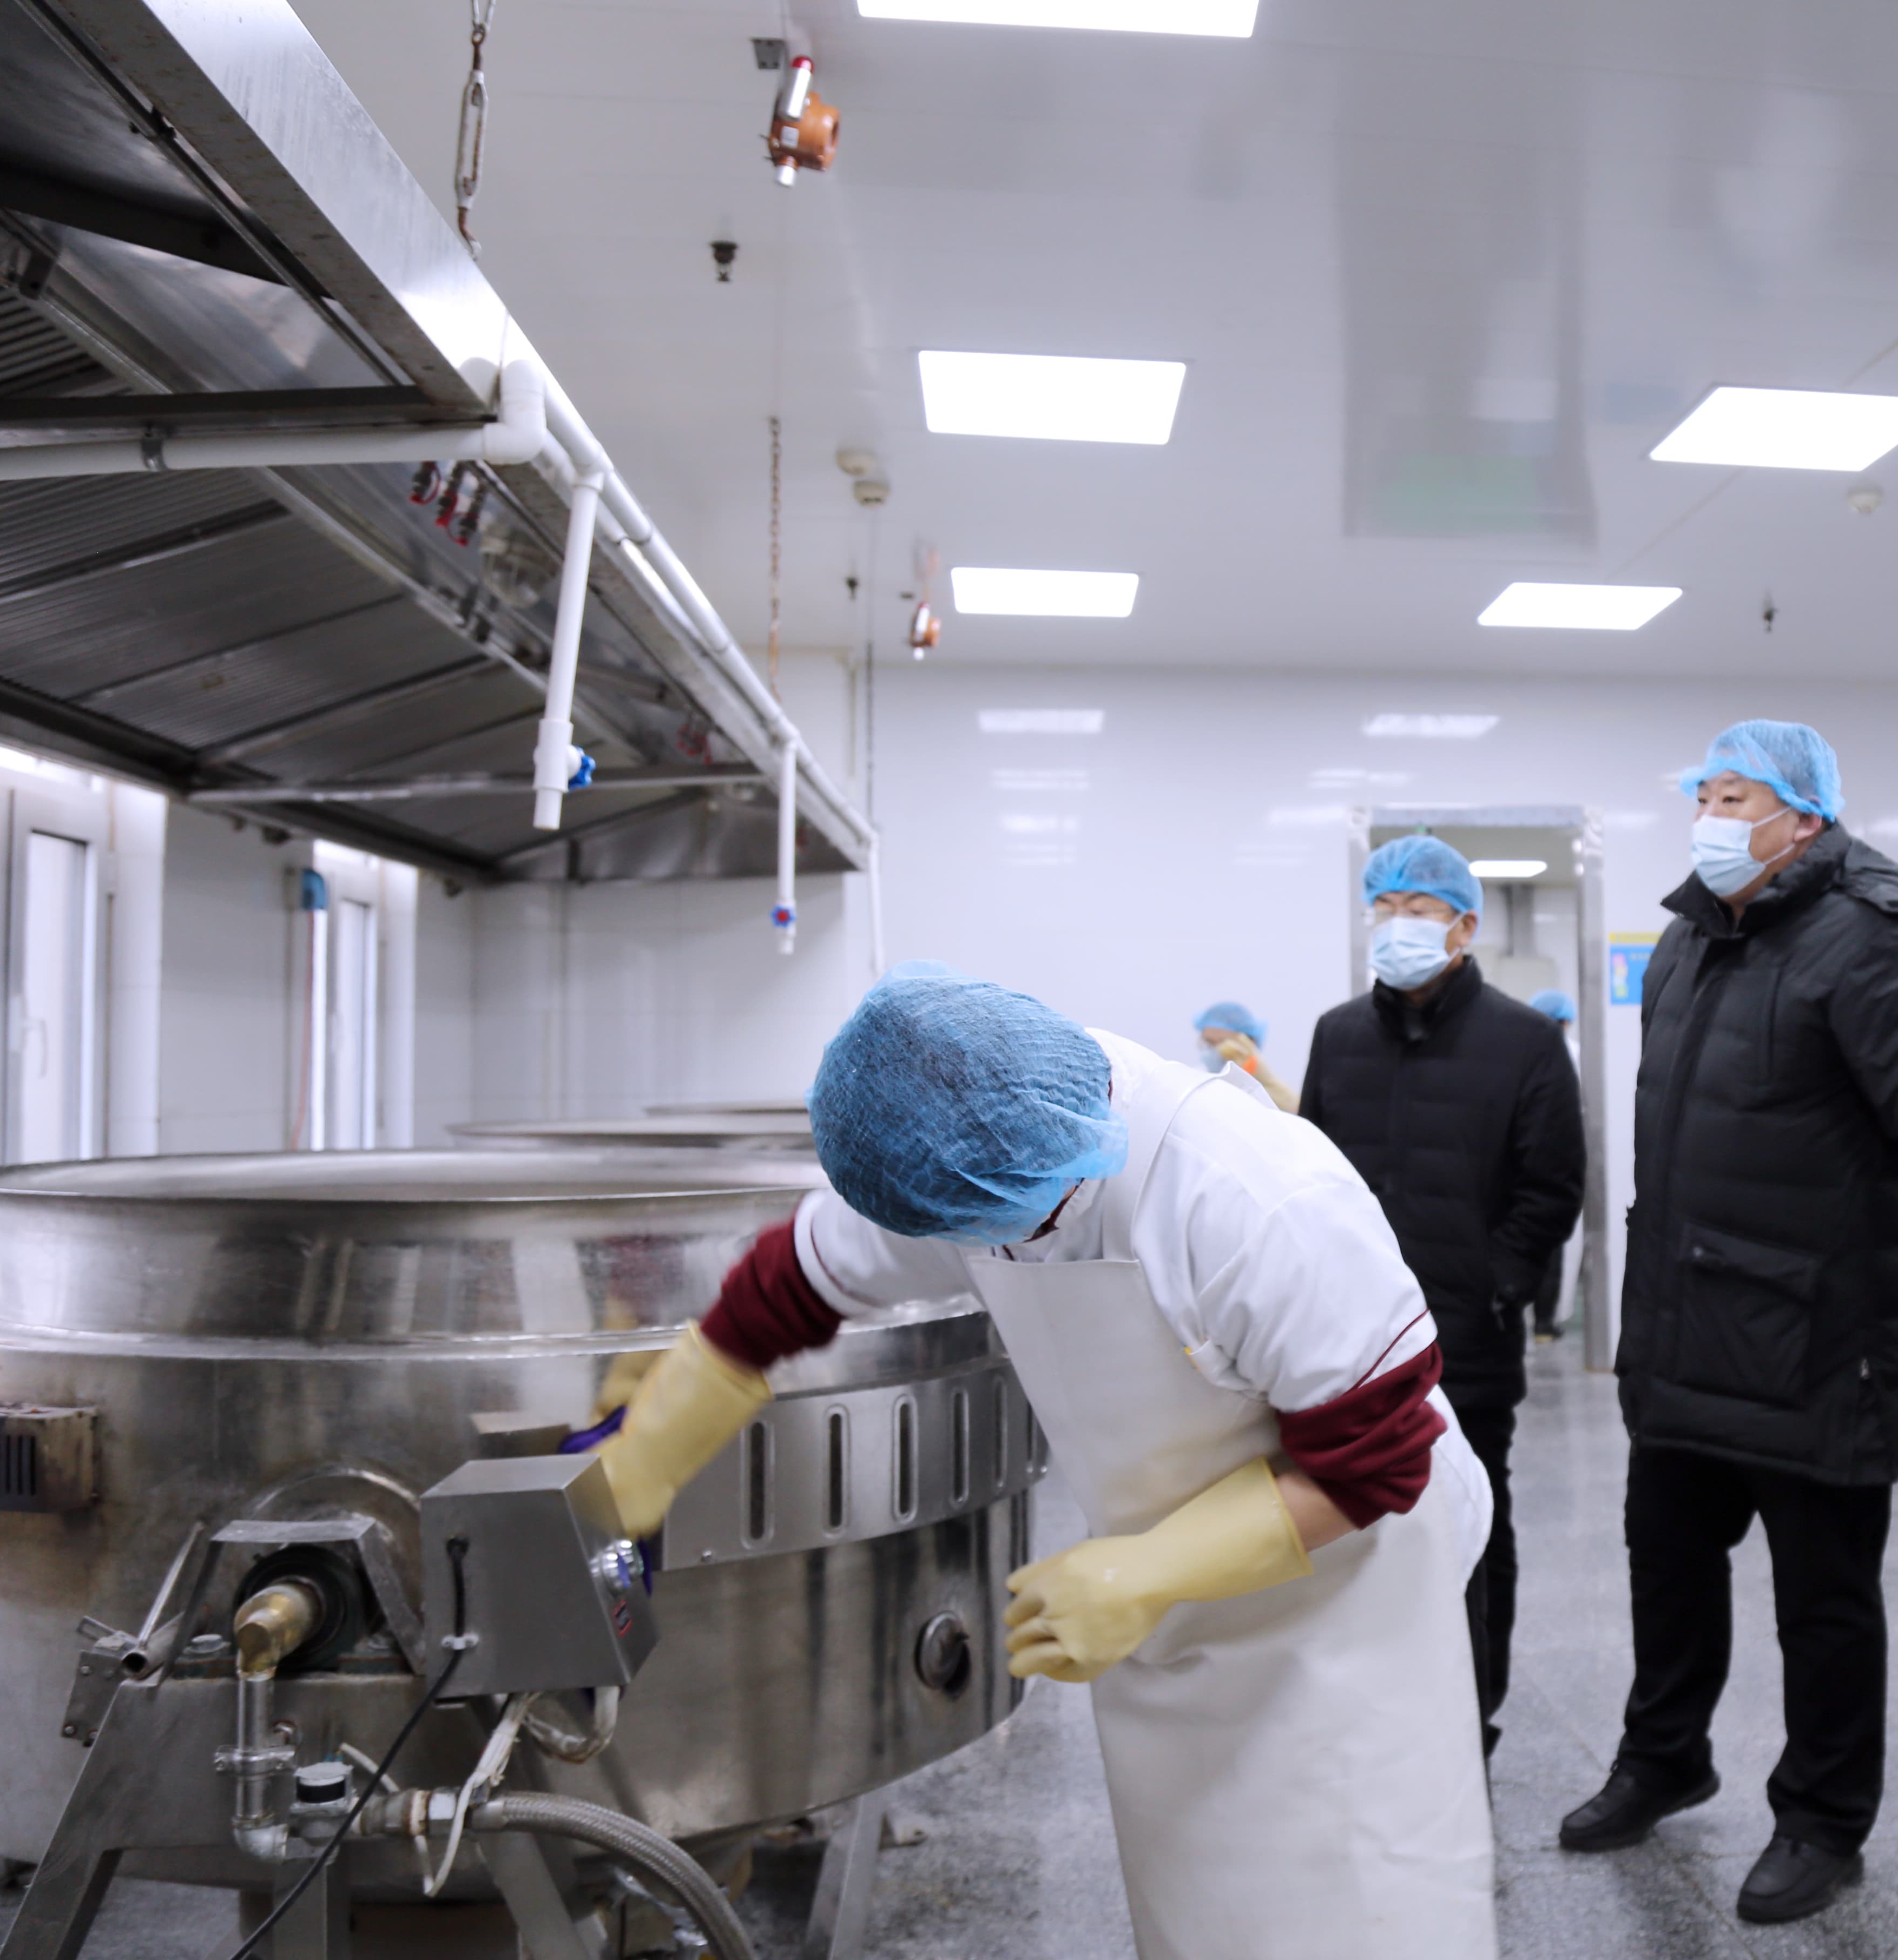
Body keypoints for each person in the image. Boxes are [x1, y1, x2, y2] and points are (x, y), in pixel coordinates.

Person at [590, 964, 1497, 1960]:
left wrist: (1147, 1571)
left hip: (1348, 1606)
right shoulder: (948, 1149)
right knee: (1207, 1912)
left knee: (1364, 1910)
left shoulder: (1251, 1196)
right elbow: (794, 1282)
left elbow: (1377, 1464)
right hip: (1173, 1624)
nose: (965, 1246)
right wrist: (653, 1447)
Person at [1560, 721, 1898, 1926]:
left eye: (1737, 798)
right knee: (1667, 1563)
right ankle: (1664, 1757)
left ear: (1805, 818)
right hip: (1685, 1319)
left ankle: (1824, 1817)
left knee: (1824, 1599)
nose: (1711, 818)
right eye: (1705, 796)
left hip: (1817, 1335)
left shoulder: (1876, 934)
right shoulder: (1688, 937)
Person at [1302, 834, 1586, 1753]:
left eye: (1418, 911)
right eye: (1384, 910)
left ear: (1463, 926)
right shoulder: (1338, 1036)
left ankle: (1473, 1709)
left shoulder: (1526, 1042)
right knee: (1356, 1513)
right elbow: (1313, 1174)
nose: (1398, 927)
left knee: (1470, 1516)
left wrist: (1497, 1285)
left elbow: (1553, 1189)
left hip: (1469, 1339)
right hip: (1352, 1340)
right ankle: (1379, 1711)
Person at [1526, 991, 1583, 1341]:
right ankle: (1545, 1322)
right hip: (1560, 1161)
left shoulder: (1517, 1051)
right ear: (1566, 1021)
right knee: (1555, 1243)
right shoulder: (1574, 1054)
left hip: (1520, 1162)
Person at [1193, 1000, 1297, 1112]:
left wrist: (1267, 1083)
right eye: (1209, 1043)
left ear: (1250, 1043)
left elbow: (1299, 1113)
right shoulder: (1194, 1083)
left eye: (1224, 1043)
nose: (1216, 1050)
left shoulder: (1264, 1088)